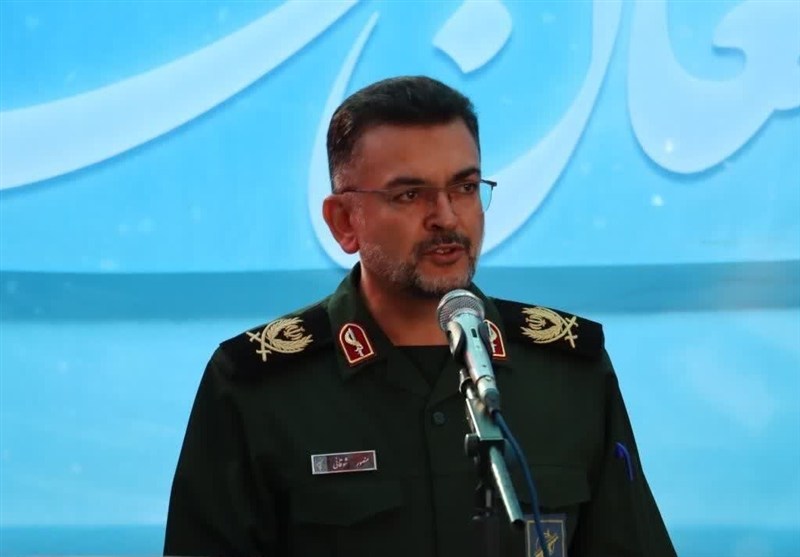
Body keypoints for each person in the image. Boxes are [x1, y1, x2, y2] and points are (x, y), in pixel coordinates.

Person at [164, 75, 677, 557]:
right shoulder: (257, 387)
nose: (446, 217)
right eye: (410, 195)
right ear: (344, 222)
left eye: (465, 187)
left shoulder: (568, 373)